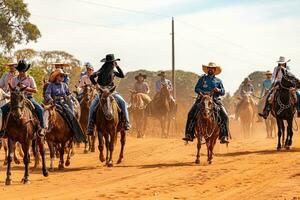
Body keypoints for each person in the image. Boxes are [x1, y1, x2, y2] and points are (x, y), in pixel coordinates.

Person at [182, 62, 229, 144]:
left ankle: (223, 136)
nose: (210, 69)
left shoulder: (218, 81)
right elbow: (196, 88)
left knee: (225, 115)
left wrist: (218, 90)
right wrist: (203, 92)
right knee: (190, 114)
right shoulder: (202, 79)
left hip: (215, 100)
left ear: (214, 70)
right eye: (209, 68)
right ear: (207, 70)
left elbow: (223, 92)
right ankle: (189, 134)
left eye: (212, 68)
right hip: (202, 99)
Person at [87, 54, 131, 135]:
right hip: (101, 92)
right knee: (92, 107)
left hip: (112, 91)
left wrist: (117, 66)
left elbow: (122, 75)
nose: (112, 64)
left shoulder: (114, 71)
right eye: (111, 63)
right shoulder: (101, 70)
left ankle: (126, 123)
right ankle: (90, 126)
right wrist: (96, 85)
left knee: (123, 103)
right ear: (107, 63)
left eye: (113, 62)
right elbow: (92, 76)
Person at [0, 60, 45, 137]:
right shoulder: (14, 79)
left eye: (23, 71)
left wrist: (25, 88)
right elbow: (12, 90)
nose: (21, 72)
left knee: (40, 109)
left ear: (26, 70)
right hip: (16, 99)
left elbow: (35, 90)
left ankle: (41, 128)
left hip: (28, 97)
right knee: (2, 110)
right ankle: (3, 129)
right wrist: (14, 89)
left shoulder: (30, 79)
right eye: (20, 71)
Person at [44, 68, 85, 140]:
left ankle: (74, 132)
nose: (63, 77)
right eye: (61, 76)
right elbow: (47, 94)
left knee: (70, 114)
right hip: (52, 103)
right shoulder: (51, 85)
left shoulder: (64, 85)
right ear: (56, 76)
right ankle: (42, 131)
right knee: (44, 113)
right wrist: (50, 99)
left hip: (63, 103)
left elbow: (69, 93)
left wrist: (68, 97)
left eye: (63, 76)